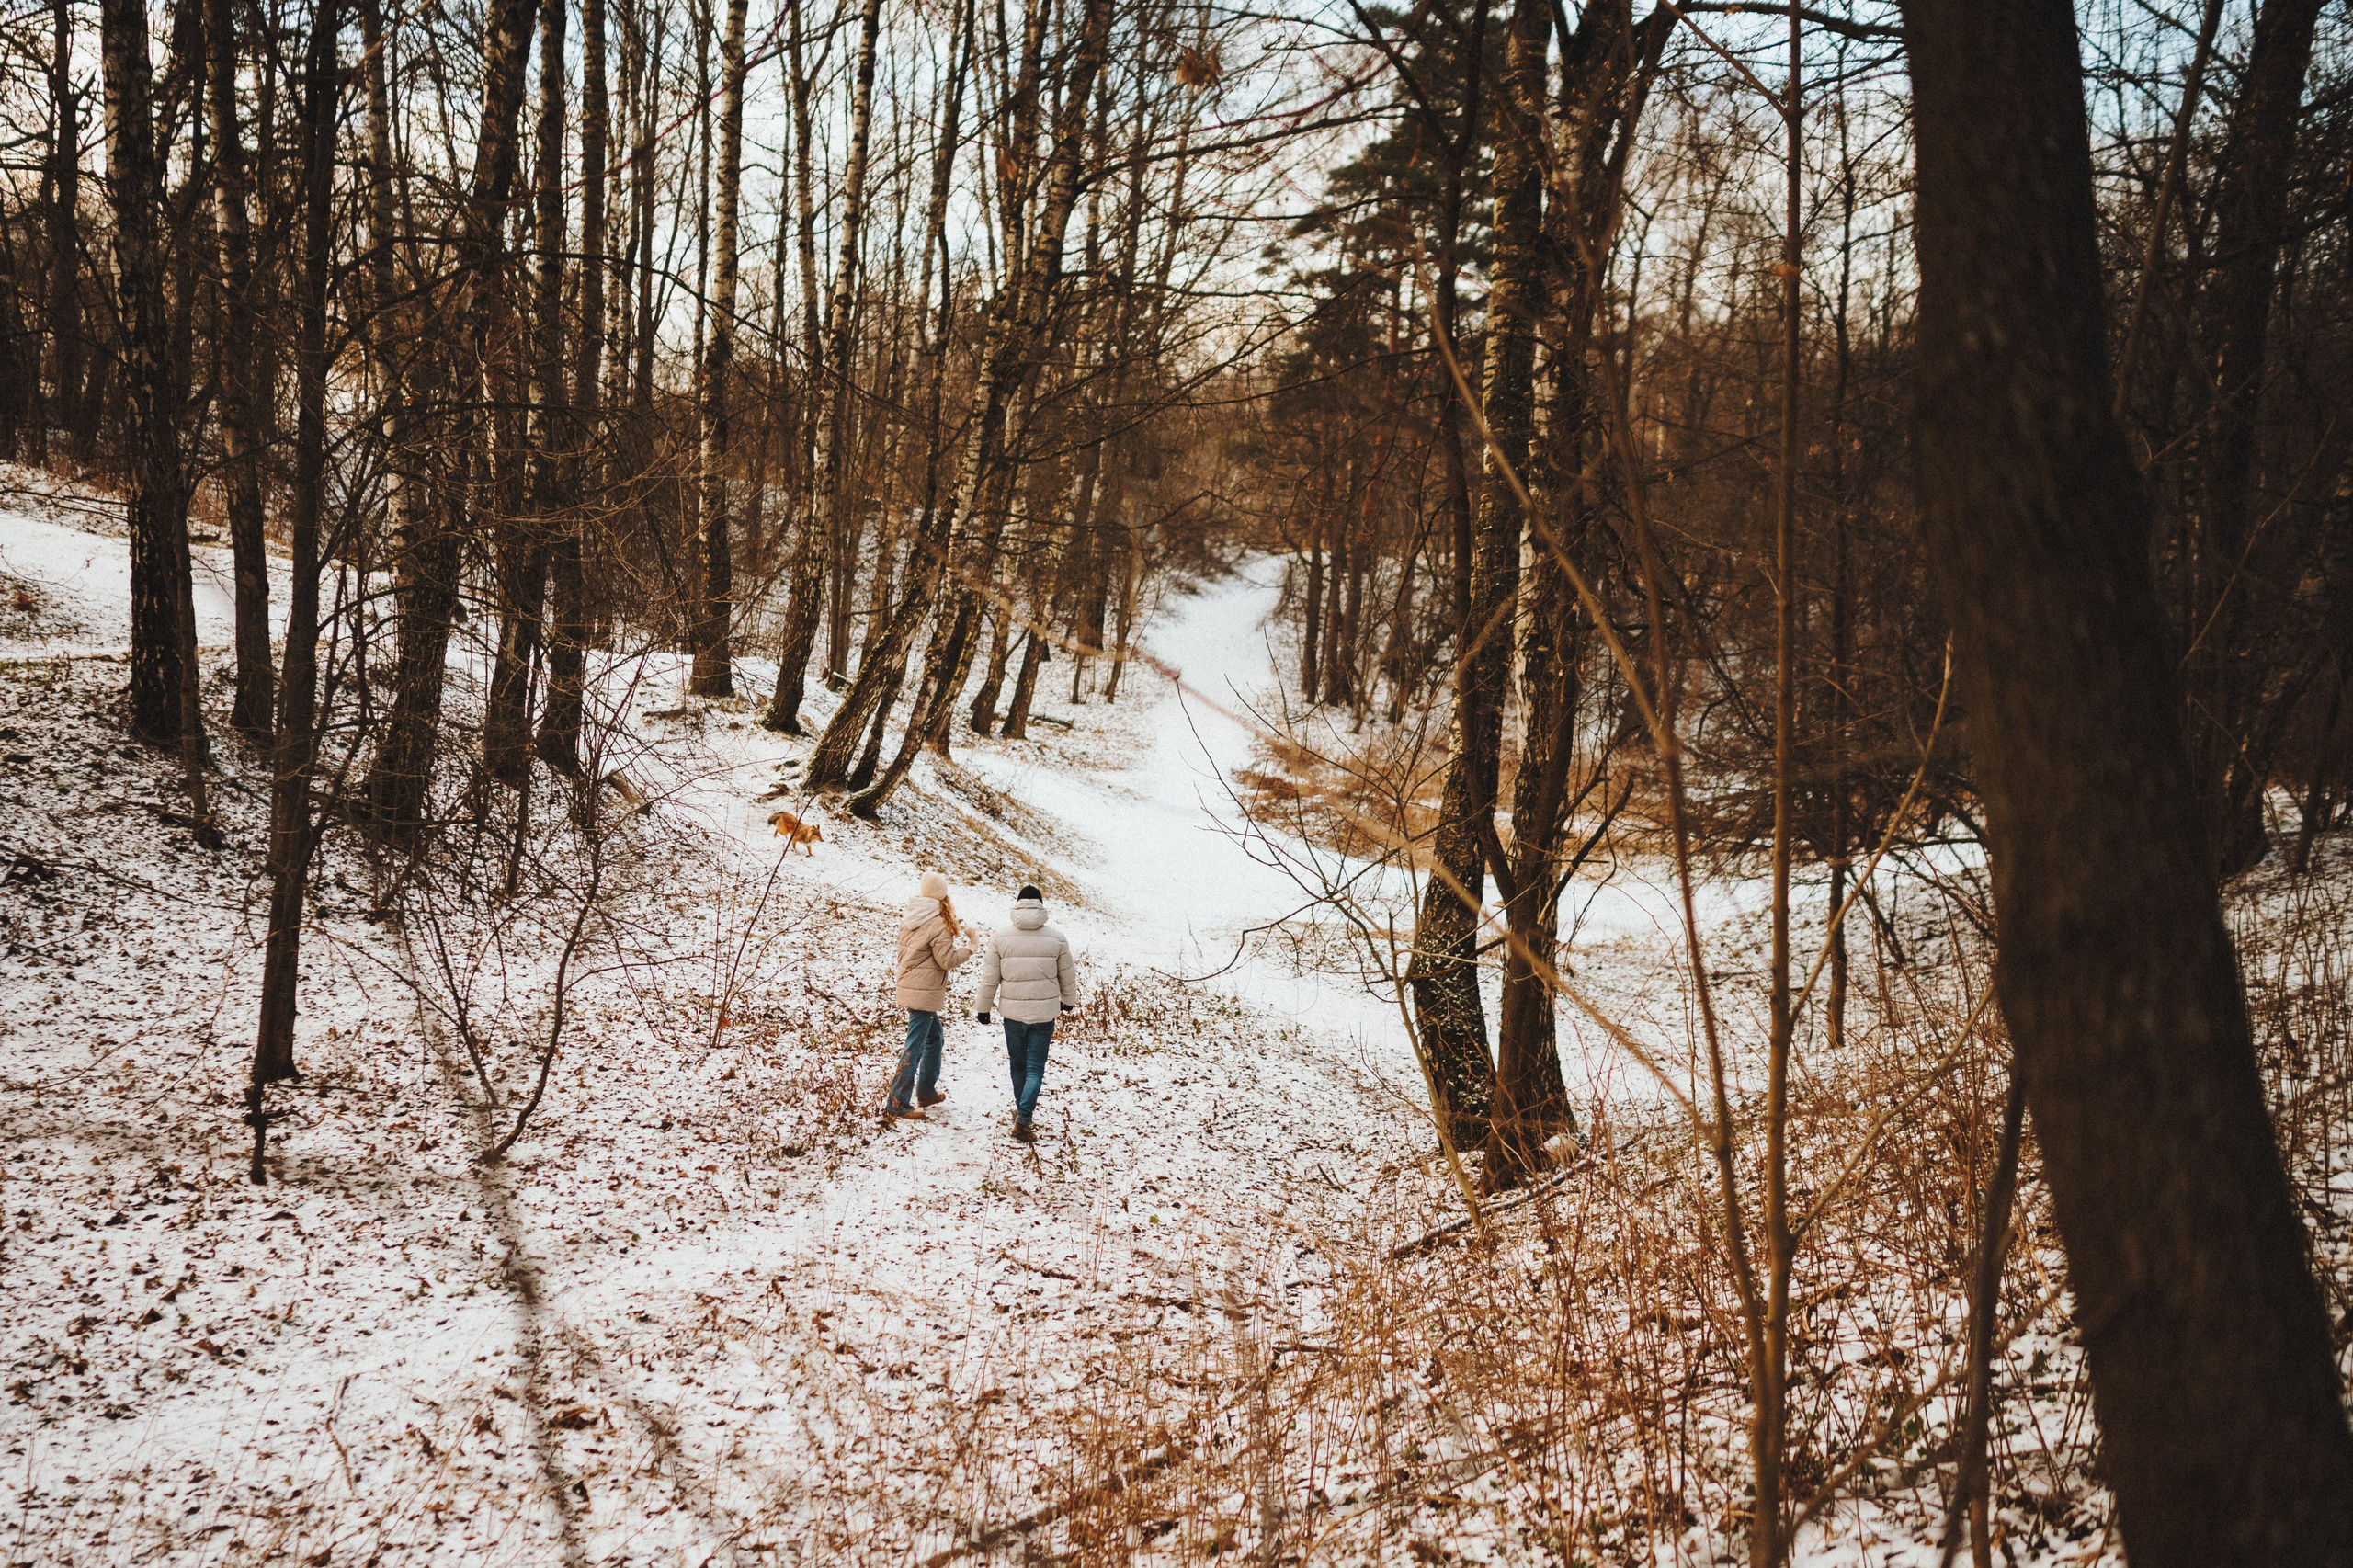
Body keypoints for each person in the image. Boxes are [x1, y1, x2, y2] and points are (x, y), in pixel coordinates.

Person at [973, 884, 1082, 1142]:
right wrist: (1068, 1001)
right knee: (1035, 1067)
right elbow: (1068, 975)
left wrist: (983, 1008)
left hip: (1013, 1014)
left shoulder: (1000, 938)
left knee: (1018, 1063)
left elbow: (989, 978)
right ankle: (1023, 1117)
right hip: (1044, 1015)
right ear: (1041, 906)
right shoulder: (1057, 938)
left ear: (1018, 905)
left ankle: (1022, 1112)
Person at [887, 871, 972, 1121]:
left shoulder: (911, 916)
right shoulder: (938, 923)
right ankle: (897, 1102)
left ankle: (925, 1092)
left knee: (935, 1037)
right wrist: (971, 948)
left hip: (910, 985)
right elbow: (947, 960)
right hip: (923, 992)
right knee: (914, 1046)